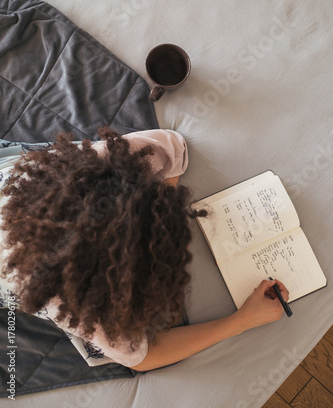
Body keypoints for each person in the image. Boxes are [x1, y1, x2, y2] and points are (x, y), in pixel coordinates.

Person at [0, 127, 289, 371]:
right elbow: (142, 357)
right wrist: (240, 322)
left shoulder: (82, 175)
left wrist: (164, 205)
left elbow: (171, 145)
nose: (187, 244)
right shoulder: (72, 308)